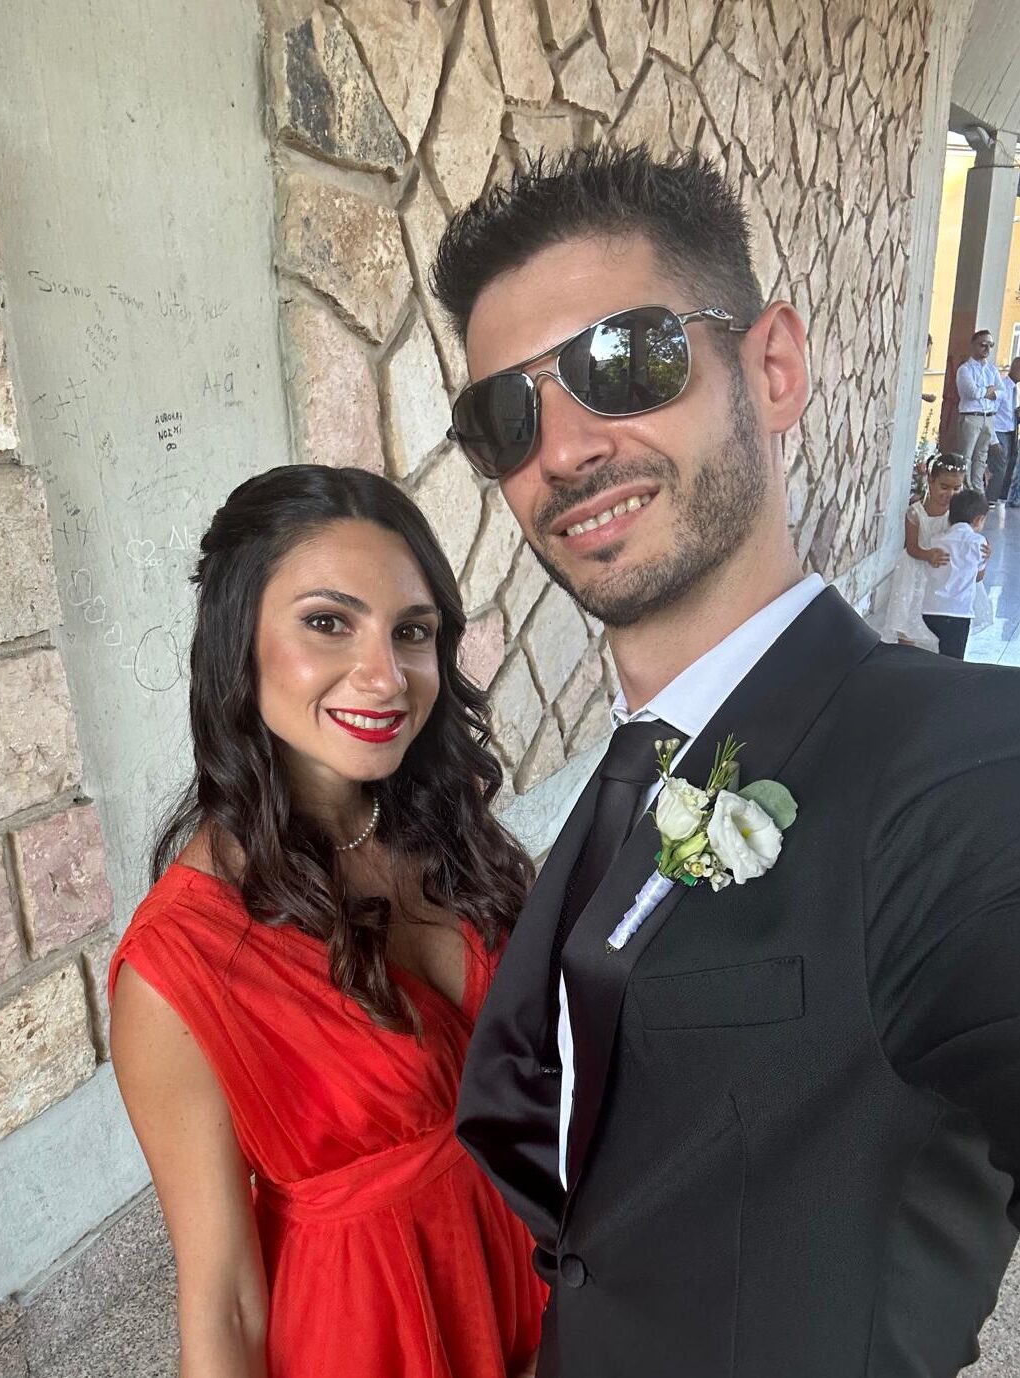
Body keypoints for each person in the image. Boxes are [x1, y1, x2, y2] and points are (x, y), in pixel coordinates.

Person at [431, 146, 1020, 1378]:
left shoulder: (962, 769)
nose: (563, 449)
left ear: (773, 368)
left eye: (624, 360)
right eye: (506, 417)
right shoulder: (628, 774)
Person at [108, 466, 546, 1378]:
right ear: (238, 641)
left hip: (547, 1295)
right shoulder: (179, 966)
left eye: (411, 632)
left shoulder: (447, 833)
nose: (385, 677)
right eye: (327, 623)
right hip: (376, 1344)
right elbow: (223, 1299)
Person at [878, 452, 964, 650]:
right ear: (931, 481)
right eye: (944, 487)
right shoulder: (915, 512)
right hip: (915, 571)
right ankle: (907, 653)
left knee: (938, 623)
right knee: (908, 618)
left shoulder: (959, 515)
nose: (950, 494)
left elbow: (967, 540)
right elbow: (911, 547)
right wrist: (928, 554)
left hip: (943, 574)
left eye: (957, 488)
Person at [921, 489, 990, 658]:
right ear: (978, 520)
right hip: (959, 611)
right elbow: (978, 577)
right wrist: (986, 560)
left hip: (931, 608)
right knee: (953, 661)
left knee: (928, 656)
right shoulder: (979, 543)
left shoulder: (935, 540)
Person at [955, 329, 1000, 493]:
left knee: (981, 457)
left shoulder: (992, 370)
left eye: (990, 345)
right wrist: (988, 391)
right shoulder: (965, 369)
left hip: (988, 417)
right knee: (965, 456)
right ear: (973, 345)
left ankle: (977, 491)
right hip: (971, 417)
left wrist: (988, 392)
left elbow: (1002, 392)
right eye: (983, 344)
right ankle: (965, 491)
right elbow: (972, 393)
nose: (987, 349)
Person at [996, 356, 1020, 506]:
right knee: (1001, 465)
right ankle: (995, 495)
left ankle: (1003, 496)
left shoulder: (1015, 389)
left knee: (1010, 463)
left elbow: (1010, 410)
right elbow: (995, 410)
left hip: (1012, 430)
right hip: (1000, 430)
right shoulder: (1003, 386)